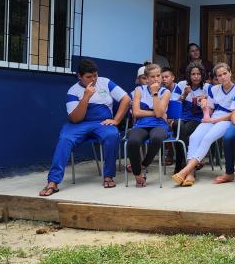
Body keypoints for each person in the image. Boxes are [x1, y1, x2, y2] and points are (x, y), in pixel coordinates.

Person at [39, 58, 130, 195]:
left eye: (95, 75)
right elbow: (76, 118)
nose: (93, 79)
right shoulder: (73, 91)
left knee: (112, 135)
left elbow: (126, 99)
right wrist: (86, 97)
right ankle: (53, 181)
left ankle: (108, 176)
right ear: (80, 76)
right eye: (89, 77)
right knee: (65, 139)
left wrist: (116, 120)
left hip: (102, 122)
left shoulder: (105, 82)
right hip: (79, 123)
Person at [171, 63, 235, 187]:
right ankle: (191, 174)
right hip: (213, 118)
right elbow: (211, 109)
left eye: (225, 73)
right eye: (219, 75)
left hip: (226, 120)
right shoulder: (214, 89)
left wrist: (213, 120)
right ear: (216, 78)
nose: (223, 77)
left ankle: (185, 171)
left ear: (230, 73)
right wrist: (205, 107)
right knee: (194, 137)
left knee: (207, 138)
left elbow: (233, 114)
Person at [125, 64, 171, 187]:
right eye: (152, 76)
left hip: (159, 124)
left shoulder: (165, 92)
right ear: (147, 78)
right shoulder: (139, 90)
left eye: (158, 76)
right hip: (141, 124)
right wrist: (156, 113)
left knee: (157, 138)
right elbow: (136, 112)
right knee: (133, 141)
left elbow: (159, 114)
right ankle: (138, 174)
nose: (156, 79)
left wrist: (155, 94)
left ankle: (144, 163)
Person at [173, 64, 208, 171]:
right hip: (182, 117)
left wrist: (205, 98)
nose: (196, 76)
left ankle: (180, 165)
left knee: (180, 132)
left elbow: (214, 102)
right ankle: (188, 163)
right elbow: (174, 104)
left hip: (197, 119)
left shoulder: (207, 87)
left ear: (202, 75)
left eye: (198, 74)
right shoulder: (181, 84)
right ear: (189, 75)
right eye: (193, 74)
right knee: (176, 125)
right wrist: (184, 94)